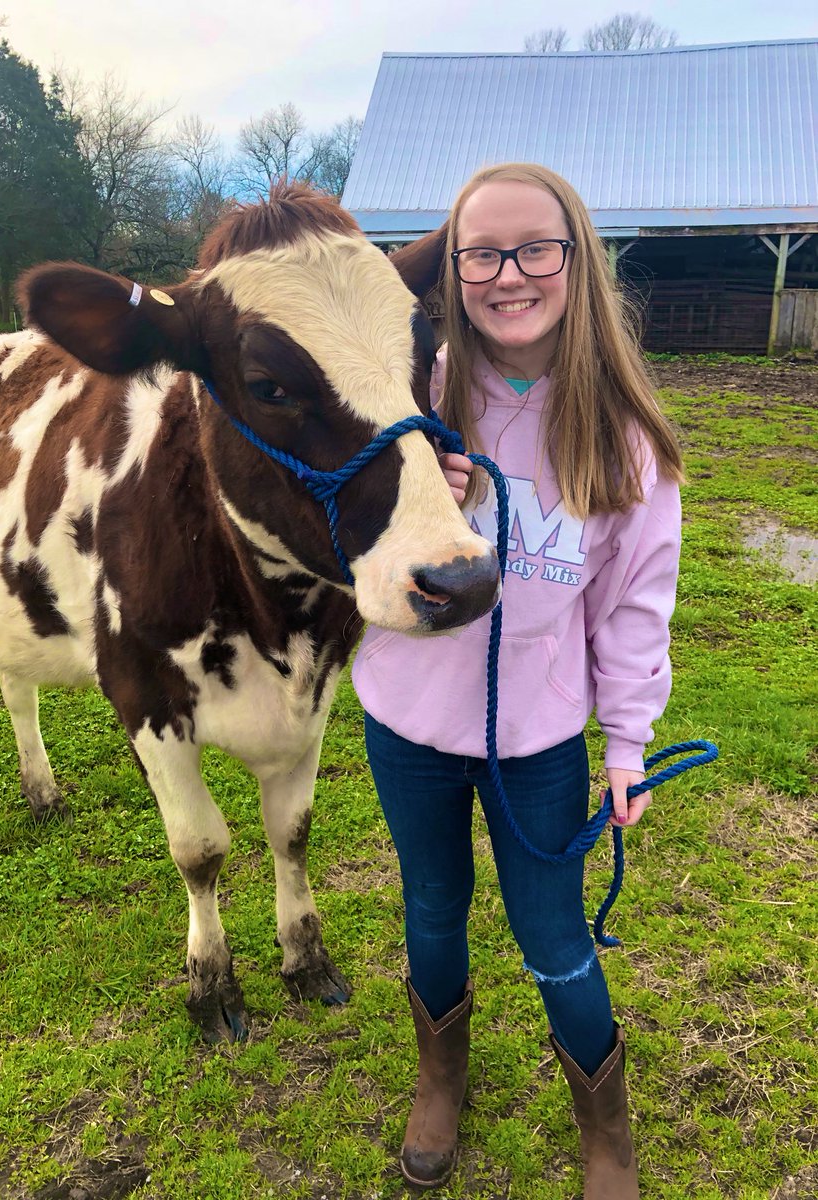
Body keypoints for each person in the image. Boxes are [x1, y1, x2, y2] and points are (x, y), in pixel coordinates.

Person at [352, 162, 684, 1198]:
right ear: (451, 269)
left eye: (535, 247)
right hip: (407, 725)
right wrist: (399, 483)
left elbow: (632, 610)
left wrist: (625, 746)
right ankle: (441, 1075)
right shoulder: (414, 393)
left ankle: (607, 1137)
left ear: (576, 258)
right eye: (480, 253)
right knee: (432, 911)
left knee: (555, 941)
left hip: (535, 743)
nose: (508, 275)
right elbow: (323, 522)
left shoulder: (625, 439)